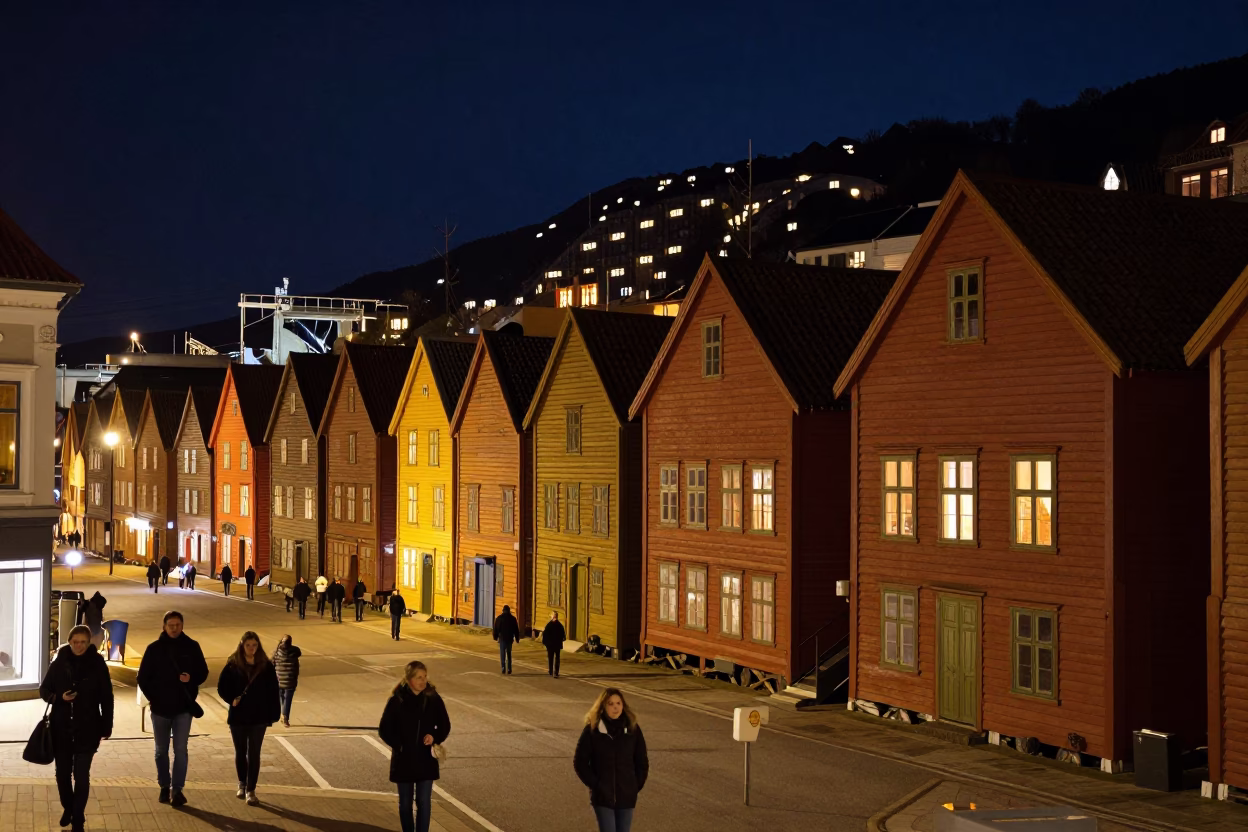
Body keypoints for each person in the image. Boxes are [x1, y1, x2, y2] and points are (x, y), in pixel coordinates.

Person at [40, 625, 114, 832]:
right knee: (62, 774)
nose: (78, 646)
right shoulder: (60, 661)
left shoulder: (97, 663)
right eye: (75, 642)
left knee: (81, 775)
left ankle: (78, 818)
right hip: (61, 727)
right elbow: (44, 689)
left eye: (83, 642)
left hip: (88, 728)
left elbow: (107, 697)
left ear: (89, 642)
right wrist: (58, 698)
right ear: (69, 641)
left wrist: (106, 727)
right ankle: (68, 808)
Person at [137, 610, 209, 808]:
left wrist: (191, 678)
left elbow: (203, 672)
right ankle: (164, 786)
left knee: (180, 750)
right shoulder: (154, 649)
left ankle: (177, 789)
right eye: (171, 625)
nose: (174, 628)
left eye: (177, 624)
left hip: (183, 709)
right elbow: (142, 678)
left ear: (182, 626)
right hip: (160, 710)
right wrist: (155, 698)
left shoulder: (192, 647)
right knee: (161, 751)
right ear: (164, 626)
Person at [378, 661, 451, 832]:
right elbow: (384, 729)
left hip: (426, 759)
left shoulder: (433, 698)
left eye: (425, 677)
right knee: (405, 804)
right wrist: (399, 745)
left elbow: (445, 725)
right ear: (409, 679)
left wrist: (434, 736)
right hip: (404, 760)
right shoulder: (397, 700)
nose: (423, 681)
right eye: (419, 677)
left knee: (424, 802)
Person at [216, 631, 280, 806]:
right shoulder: (233, 665)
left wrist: (274, 714)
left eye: (254, 645)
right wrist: (231, 699)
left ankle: (251, 789)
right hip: (239, 716)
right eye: (248, 645)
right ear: (242, 646)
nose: (251, 649)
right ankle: (242, 783)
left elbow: (273, 691)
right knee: (240, 751)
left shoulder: (265, 666)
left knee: (254, 753)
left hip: (259, 716)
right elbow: (221, 687)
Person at [573, 688, 649, 832]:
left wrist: (634, 785)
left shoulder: (633, 729)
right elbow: (580, 763)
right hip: (603, 797)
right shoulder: (593, 731)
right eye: (611, 704)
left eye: (618, 703)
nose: (615, 707)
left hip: (627, 796)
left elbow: (642, 762)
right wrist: (596, 784)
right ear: (603, 706)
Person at [273, 635, 301, 727]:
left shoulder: (277, 652)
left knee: (282, 699)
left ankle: (282, 714)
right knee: (287, 700)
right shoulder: (295, 652)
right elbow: (296, 667)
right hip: (290, 680)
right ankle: (285, 716)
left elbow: (272, 664)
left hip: (279, 680)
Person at [493, 604, 520, 675]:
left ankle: (503, 667)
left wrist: (495, 637)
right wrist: (517, 638)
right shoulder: (513, 619)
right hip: (510, 638)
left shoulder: (499, 618)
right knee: (509, 653)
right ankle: (509, 668)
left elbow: (496, 628)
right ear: (509, 611)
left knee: (502, 653)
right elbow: (516, 629)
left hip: (502, 638)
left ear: (503, 610)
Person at [542, 611, 566, 678]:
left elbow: (563, 635)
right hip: (552, 644)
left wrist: (545, 643)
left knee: (555, 658)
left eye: (555, 615)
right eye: (554, 615)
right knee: (552, 658)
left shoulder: (557, 625)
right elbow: (545, 635)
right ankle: (552, 671)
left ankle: (555, 672)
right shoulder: (551, 625)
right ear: (552, 616)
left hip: (555, 644)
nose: (555, 616)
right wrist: (545, 643)